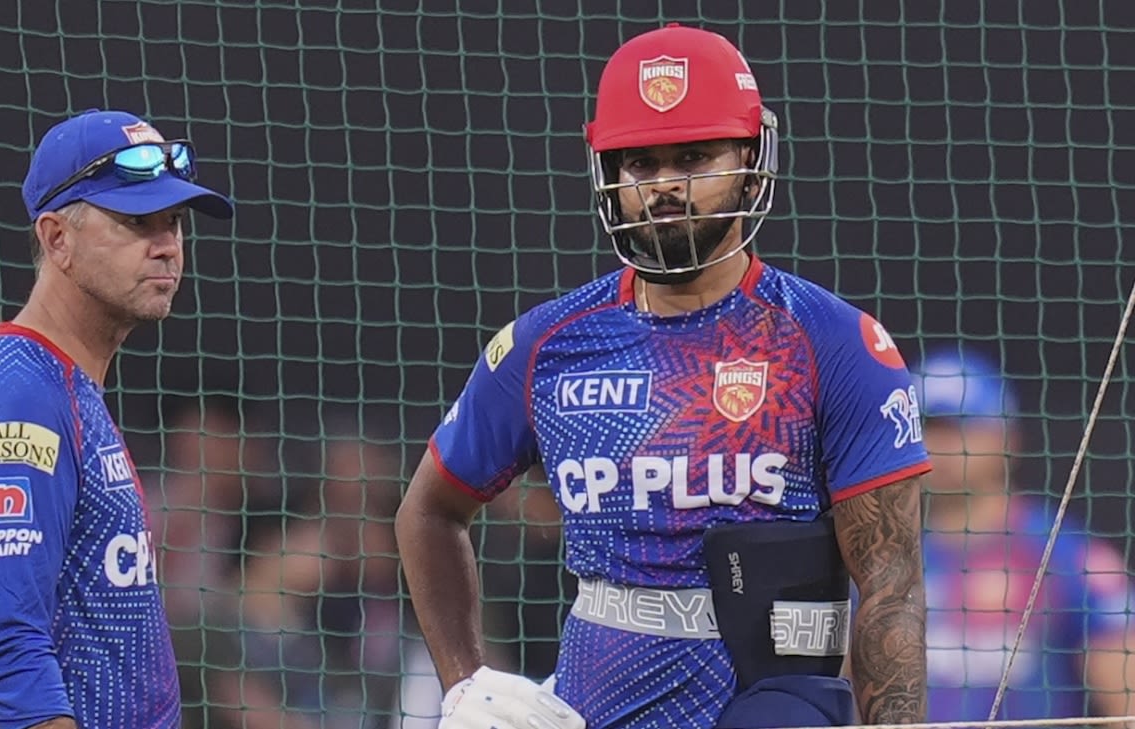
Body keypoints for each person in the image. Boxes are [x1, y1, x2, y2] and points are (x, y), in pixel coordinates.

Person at [395, 23, 931, 729]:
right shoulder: (545, 344)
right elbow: (429, 512)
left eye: (694, 158)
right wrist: (466, 687)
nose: (665, 186)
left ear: (750, 159)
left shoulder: (833, 342)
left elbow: (891, 583)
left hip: (772, 703)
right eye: (640, 163)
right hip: (591, 704)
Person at [0, 108, 234, 729]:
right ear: (57, 238)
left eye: (173, 221)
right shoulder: (22, 399)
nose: (167, 245)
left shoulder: (62, 385)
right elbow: (8, 653)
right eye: (136, 222)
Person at [914, 345, 1135, 722]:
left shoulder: (1063, 553)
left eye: (959, 426)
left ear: (1008, 436)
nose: (940, 444)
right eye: (927, 428)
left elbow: (1127, 702)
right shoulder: (882, 556)